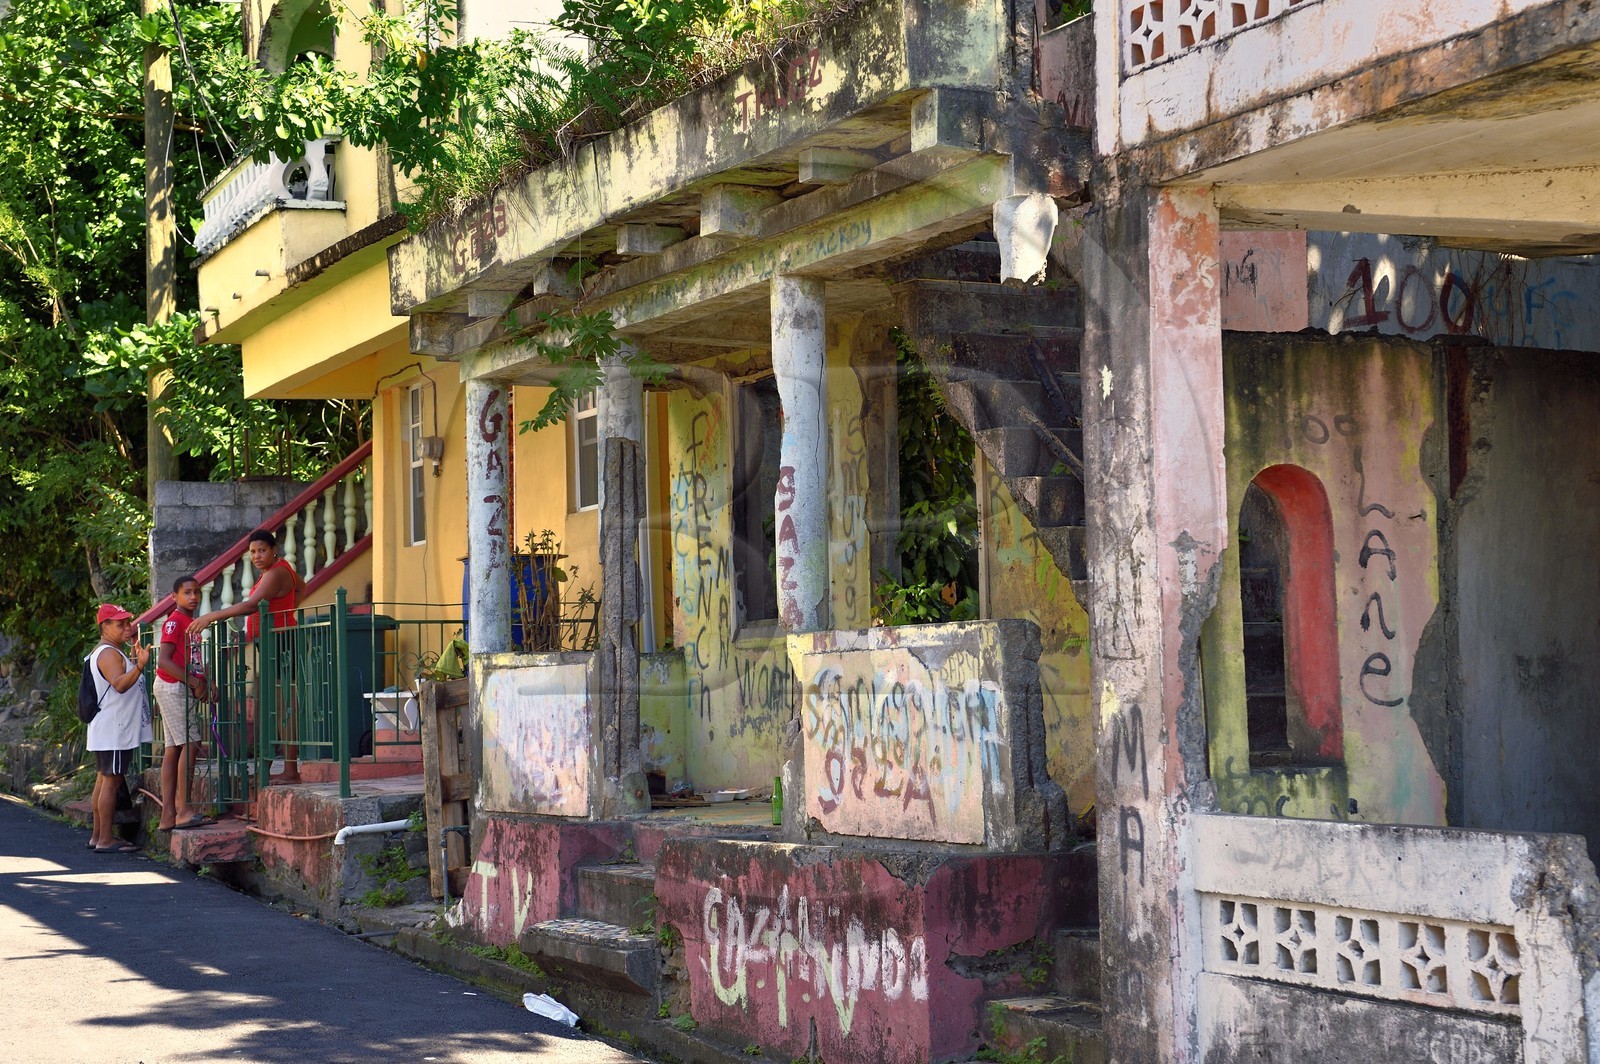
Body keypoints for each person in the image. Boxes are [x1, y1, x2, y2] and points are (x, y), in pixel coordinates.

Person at [190, 530, 305, 782]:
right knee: (276, 704)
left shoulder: (276, 572)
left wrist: (211, 616)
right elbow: (300, 588)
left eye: (262, 550)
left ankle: (290, 770)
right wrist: (285, 610)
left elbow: (251, 605)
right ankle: (284, 767)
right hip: (272, 639)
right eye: (252, 552)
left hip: (281, 640)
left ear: (274, 549)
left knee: (284, 705)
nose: (256, 556)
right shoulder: (274, 571)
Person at [85, 604, 151, 853]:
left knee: (104, 780)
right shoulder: (108, 653)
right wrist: (140, 666)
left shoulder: (109, 651)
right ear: (105, 627)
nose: (127, 627)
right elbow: (120, 685)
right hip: (114, 728)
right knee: (110, 782)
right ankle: (105, 839)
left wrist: (133, 664)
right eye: (120, 624)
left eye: (127, 622)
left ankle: (97, 837)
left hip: (109, 727)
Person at [154, 575, 212, 830]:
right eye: (187, 592)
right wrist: (193, 682)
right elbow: (164, 661)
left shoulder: (193, 624)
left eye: (196, 592)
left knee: (174, 748)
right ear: (174, 597)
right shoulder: (174, 622)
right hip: (172, 685)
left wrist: (205, 682)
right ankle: (183, 808)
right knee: (191, 741)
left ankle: (168, 815)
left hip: (181, 685)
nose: (193, 597)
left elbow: (194, 660)